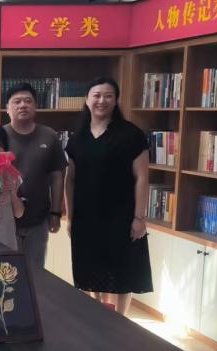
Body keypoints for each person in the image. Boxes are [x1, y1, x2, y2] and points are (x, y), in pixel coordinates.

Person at [65, 77, 152, 315]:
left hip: (121, 216)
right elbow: (70, 179)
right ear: (87, 100)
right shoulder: (78, 137)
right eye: (96, 95)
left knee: (123, 271)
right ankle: (98, 314)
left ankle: (121, 319)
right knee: (90, 269)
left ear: (116, 100)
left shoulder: (131, 135)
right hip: (86, 217)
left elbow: (142, 178)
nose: (101, 101)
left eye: (108, 96)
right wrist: (70, 217)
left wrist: (139, 218)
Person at [1, 82, 67, 268]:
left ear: (35, 105)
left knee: (36, 272)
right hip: (4, 220)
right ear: (7, 107)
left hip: (38, 219)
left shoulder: (49, 135)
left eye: (28, 101)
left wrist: (56, 212)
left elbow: (57, 176)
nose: (23, 105)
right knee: (5, 273)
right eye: (17, 101)